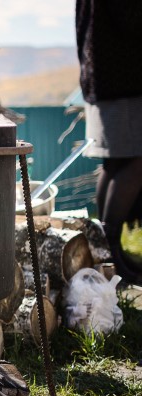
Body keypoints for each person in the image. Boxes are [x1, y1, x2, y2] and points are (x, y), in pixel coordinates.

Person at [76, 0, 142, 283]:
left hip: (103, 74)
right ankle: (111, 255)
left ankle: (104, 253)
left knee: (115, 163)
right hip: (125, 75)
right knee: (136, 161)